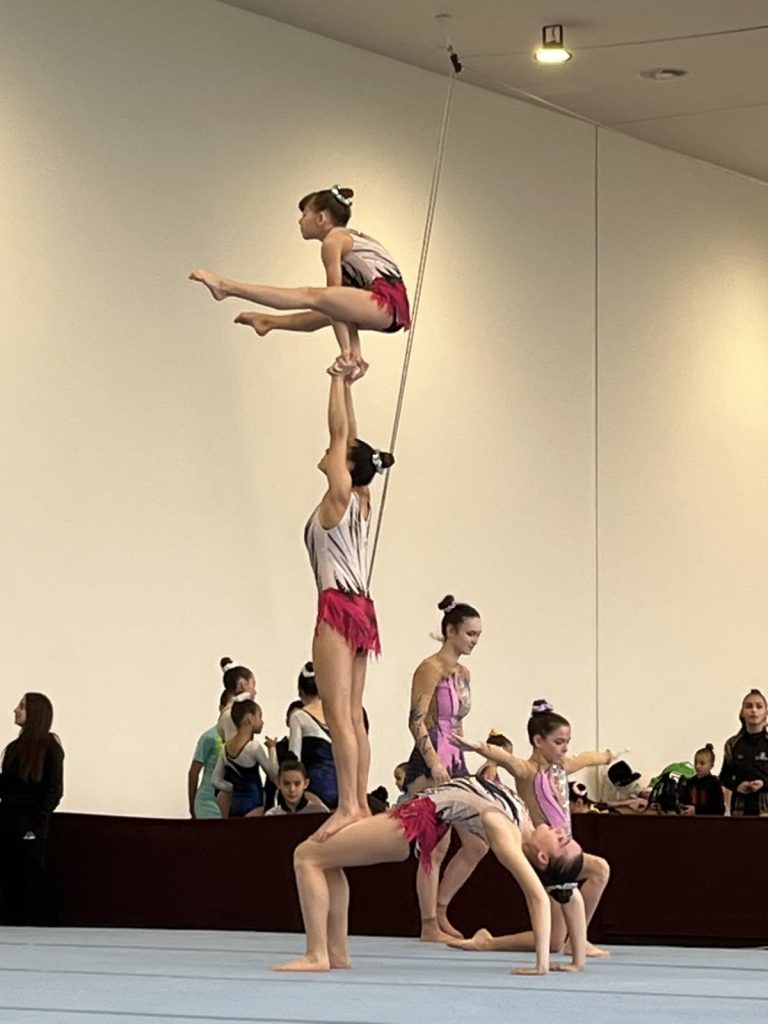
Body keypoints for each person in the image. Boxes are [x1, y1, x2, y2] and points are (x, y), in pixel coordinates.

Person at [272, 775, 586, 975]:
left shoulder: (507, 833)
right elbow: (568, 889)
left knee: (306, 856)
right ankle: (336, 953)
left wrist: (541, 965)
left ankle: (316, 954)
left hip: (410, 823)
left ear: (543, 857)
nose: (561, 831)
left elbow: (537, 896)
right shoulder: (524, 821)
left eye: (562, 841)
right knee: (328, 860)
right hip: (415, 818)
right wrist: (577, 960)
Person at [304, 365, 393, 840]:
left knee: (338, 713)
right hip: (362, 611)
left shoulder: (339, 498)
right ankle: (357, 800)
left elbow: (340, 435)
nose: (327, 453)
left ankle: (350, 805)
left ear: (346, 466)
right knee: (353, 713)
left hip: (338, 606)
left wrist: (335, 379)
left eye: (336, 455)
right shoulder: (360, 497)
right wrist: (347, 388)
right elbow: (350, 437)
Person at [190, 186, 411, 377]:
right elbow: (342, 308)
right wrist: (355, 352)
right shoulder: (349, 237)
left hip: (386, 302)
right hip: (391, 309)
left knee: (312, 296)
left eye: (304, 214)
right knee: (322, 311)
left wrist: (346, 352)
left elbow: (334, 302)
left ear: (321, 218)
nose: (300, 220)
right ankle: (269, 322)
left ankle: (226, 286)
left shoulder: (333, 242)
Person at [451, 700, 612, 958]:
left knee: (598, 872)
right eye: (558, 742)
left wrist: (607, 756)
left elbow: (585, 759)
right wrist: (478, 746)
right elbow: (504, 758)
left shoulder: (562, 767)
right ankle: (488, 943)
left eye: (567, 741)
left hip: (559, 855)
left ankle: (576, 941)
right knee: (554, 939)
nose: (565, 748)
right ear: (538, 741)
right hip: (541, 857)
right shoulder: (527, 771)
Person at [404, 595, 487, 941]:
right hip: (431, 760)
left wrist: (466, 756)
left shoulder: (463, 673)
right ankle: (428, 925)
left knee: (477, 843)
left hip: (456, 761)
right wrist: (434, 762)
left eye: (478, 634)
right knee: (435, 845)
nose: (475, 640)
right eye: (470, 633)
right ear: (450, 631)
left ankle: (440, 910)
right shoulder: (430, 668)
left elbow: (457, 721)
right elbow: (416, 721)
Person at [0, 693, 64, 925]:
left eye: (22, 706)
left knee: (33, 876)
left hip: (30, 824)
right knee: (10, 878)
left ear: (35, 713)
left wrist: (36, 823)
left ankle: (49, 925)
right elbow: (7, 786)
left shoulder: (50, 747)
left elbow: (54, 790)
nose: (15, 710)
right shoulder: (13, 748)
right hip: (7, 821)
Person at [213, 698, 278, 818]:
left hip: (235, 805)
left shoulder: (225, 749)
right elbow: (273, 774)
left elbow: (216, 780)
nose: (262, 722)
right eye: (259, 717)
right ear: (249, 718)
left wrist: (235, 788)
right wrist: (272, 749)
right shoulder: (253, 747)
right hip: (254, 804)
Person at [288, 662, 338, 809]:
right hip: (342, 785)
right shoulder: (337, 714)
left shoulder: (298, 716)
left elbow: (294, 760)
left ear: (300, 692)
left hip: (315, 787)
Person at [721, 689, 768, 816]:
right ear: (742, 712)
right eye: (749, 706)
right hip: (740, 810)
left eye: (759, 706)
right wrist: (737, 786)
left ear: (766, 712)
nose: (754, 710)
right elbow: (724, 777)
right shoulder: (732, 744)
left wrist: (764, 783)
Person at [187, 691, 227, 819]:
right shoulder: (209, 737)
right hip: (207, 803)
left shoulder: (242, 741)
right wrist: (192, 806)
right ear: (221, 708)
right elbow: (193, 772)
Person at [265, 760, 330, 817]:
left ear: (306, 783)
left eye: (297, 784)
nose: (292, 789)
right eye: (286, 784)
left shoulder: (319, 812)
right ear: (278, 784)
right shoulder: (271, 816)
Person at [217, 657, 257, 742]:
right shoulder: (232, 714)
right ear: (244, 684)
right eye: (253, 684)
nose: (255, 691)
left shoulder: (227, 712)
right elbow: (237, 747)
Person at [680, 744, 725, 817]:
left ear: (711, 765)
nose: (697, 766)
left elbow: (719, 809)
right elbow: (684, 802)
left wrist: (697, 811)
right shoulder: (690, 782)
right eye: (696, 762)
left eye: (702, 763)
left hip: (708, 821)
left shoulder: (714, 783)